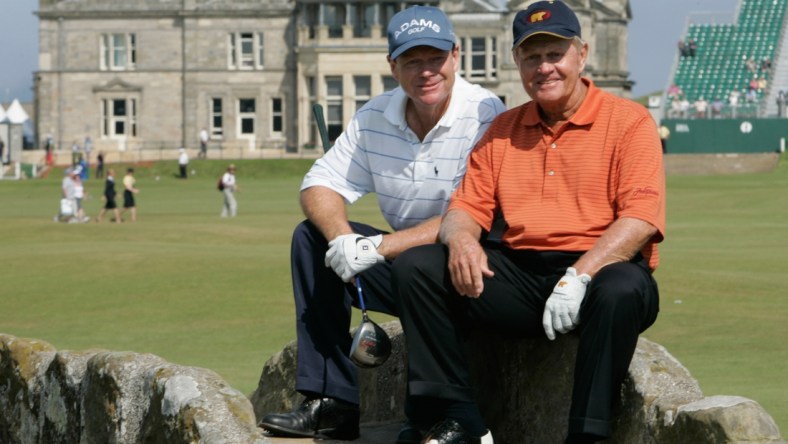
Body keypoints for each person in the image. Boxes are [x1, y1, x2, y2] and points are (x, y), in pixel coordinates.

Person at [391, 2, 664, 443]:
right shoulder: (502, 128)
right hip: (520, 275)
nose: (545, 68)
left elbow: (640, 218)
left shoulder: (629, 121)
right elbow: (465, 207)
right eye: (532, 57)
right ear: (517, 62)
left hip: (598, 276)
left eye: (554, 54)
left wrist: (580, 275)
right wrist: (462, 242)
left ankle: (587, 434)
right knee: (417, 267)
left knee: (622, 288)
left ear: (581, 54)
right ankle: (460, 420)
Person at [257, 5, 505, 442]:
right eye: (412, 60)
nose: (426, 71)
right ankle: (332, 401)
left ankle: (433, 413)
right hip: (407, 266)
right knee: (309, 238)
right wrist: (343, 239)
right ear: (393, 66)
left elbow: (472, 212)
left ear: (456, 57)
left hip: (469, 267)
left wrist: (376, 248)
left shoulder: (486, 112)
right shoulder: (375, 116)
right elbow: (319, 183)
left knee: (419, 263)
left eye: (435, 58)